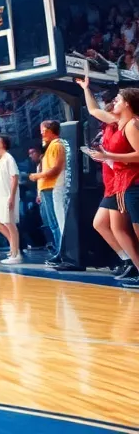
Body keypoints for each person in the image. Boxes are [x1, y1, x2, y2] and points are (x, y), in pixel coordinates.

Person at [79, 78, 139, 284]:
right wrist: (86, 89)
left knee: (120, 228)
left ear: (125, 105)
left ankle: (132, 262)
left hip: (126, 181)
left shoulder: (129, 124)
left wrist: (108, 156)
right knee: (105, 225)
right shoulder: (115, 123)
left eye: (116, 100)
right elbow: (94, 110)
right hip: (118, 181)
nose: (113, 103)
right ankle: (129, 261)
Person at [30, 120, 67, 259]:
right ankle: (59, 250)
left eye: (43, 130)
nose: (41, 133)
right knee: (52, 223)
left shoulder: (56, 145)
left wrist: (37, 176)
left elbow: (55, 169)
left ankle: (62, 252)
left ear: (50, 130)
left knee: (56, 222)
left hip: (53, 187)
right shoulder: (51, 146)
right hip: (47, 188)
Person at [0, 136, 23, 264]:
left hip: (7, 196)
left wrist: (12, 197)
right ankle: (12, 244)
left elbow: (14, 177)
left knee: (10, 224)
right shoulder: (1, 159)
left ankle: (16, 254)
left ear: (3, 144)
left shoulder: (9, 158)